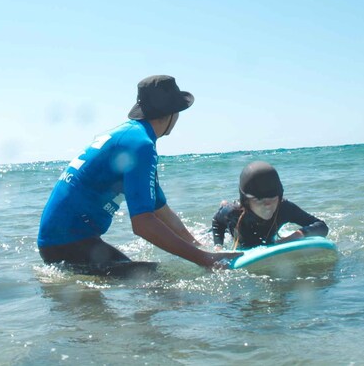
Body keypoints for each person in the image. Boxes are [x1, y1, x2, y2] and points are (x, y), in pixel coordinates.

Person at [37, 75, 240, 276]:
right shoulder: (141, 145)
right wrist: (205, 260)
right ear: (169, 113)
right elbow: (143, 224)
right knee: (159, 280)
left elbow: (161, 211)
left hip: (65, 242)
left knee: (146, 279)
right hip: (68, 245)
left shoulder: (132, 137)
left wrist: (199, 247)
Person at [212, 161, 329, 250]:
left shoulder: (284, 207)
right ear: (246, 201)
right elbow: (217, 221)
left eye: (272, 198)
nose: (267, 205)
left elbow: (321, 226)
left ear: (279, 196)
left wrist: (294, 237)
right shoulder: (232, 212)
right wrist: (218, 246)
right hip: (236, 231)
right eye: (259, 200)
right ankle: (224, 203)